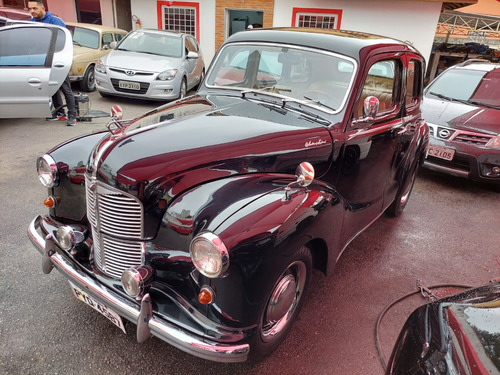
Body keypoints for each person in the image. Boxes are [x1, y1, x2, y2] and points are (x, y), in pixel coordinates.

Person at [28, 0, 77, 126]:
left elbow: (65, 41)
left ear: (43, 8)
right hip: (44, 60)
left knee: (65, 88)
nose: (32, 11)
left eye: (34, 8)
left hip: (58, 60)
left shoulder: (55, 21)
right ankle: (60, 113)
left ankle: (72, 115)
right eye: (30, 9)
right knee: (51, 86)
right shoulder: (32, 22)